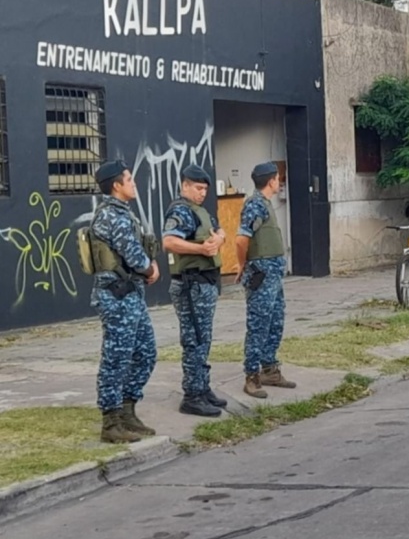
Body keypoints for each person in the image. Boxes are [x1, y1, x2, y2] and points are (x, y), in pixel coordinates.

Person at [89, 160, 160, 443]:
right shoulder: (111, 215)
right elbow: (132, 255)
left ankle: (128, 410)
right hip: (116, 295)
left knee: (146, 352)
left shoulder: (122, 213)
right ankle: (111, 421)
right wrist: (151, 268)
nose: (134, 183)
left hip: (131, 294)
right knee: (116, 357)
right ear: (116, 185)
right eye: (129, 179)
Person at [162, 165, 228, 417]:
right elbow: (169, 241)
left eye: (205, 189)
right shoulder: (180, 210)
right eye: (198, 188)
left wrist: (219, 239)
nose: (202, 193)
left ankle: (202, 387)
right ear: (185, 185)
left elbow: (218, 228)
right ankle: (192, 395)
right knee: (195, 339)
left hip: (204, 282)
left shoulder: (199, 211)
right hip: (191, 284)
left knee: (204, 338)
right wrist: (202, 250)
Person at [235, 162, 295, 398]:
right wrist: (242, 265)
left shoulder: (265, 205)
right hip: (261, 274)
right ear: (271, 181)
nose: (279, 182)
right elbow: (241, 239)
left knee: (275, 320)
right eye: (277, 178)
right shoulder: (255, 205)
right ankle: (251, 376)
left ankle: (269, 368)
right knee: (259, 324)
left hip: (273, 276)